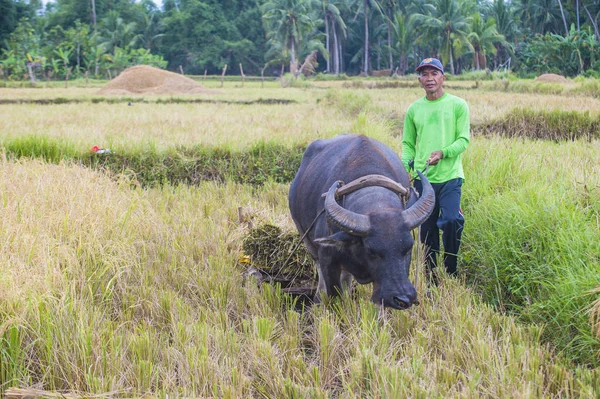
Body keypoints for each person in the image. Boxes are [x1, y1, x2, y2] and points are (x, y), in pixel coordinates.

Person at [401, 57, 470, 283]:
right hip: (424, 179)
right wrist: (405, 167)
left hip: (450, 177)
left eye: (434, 73)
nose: (429, 78)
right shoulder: (414, 110)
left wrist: (443, 152)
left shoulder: (458, 105)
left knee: (451, 221)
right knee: (428, 231)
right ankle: (431, 277)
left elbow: (463, 140)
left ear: (443, 78)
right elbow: (408, 144)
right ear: (419, 80)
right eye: (424, 74)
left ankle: (451, 269)